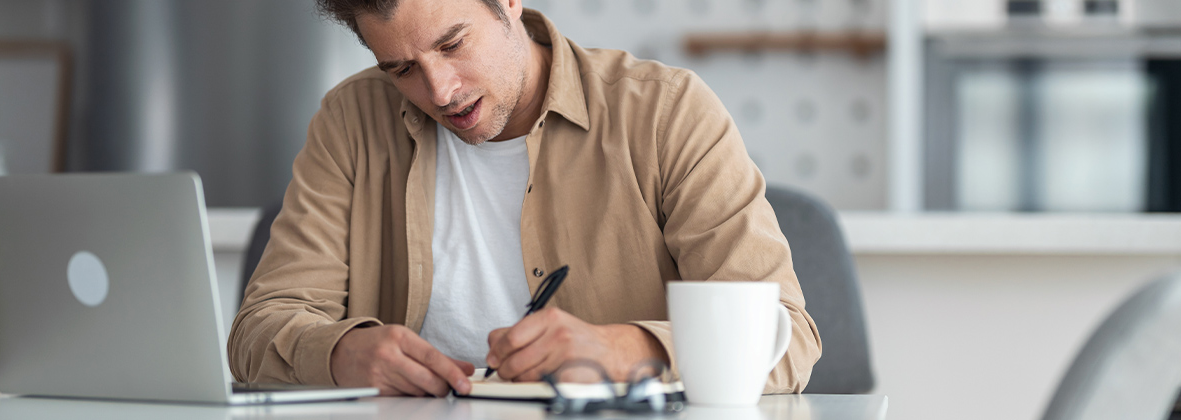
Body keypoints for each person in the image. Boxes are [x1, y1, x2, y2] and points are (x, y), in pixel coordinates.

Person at [228, 0, 822, 397]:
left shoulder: (665, 112)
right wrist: (341, 354)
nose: (440, 91)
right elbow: (258, 332)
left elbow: (788, 340)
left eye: (454, 44)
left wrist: (622, 350)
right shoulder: (352, 119)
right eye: (401, 68)